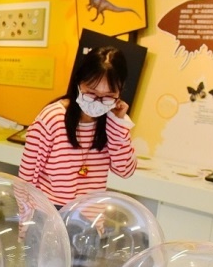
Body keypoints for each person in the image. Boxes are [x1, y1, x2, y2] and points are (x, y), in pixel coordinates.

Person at [19, 46, 137, 209]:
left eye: (109, 96)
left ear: (120, 91)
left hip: (89, 219)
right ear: (78, 83)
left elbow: (125, 170)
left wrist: (118, 122)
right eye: (91, 92)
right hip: (50, 214)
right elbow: (27, 178)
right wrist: (25, 225)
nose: (98, 101)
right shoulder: (52, 118)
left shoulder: (113, 119)